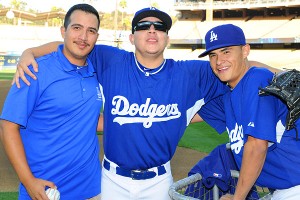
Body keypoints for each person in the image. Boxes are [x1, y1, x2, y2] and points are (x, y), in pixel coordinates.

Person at [13, 7, 279, 200]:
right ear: (131, 38)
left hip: (159, 183)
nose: (151, 30)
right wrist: (31, 52)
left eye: (159, 27)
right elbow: (73, 45)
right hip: (110, 181)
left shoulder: (192, 73)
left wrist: (279, 74)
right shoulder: (110, 60)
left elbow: (237, 66)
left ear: (166, 37)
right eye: (143, 26)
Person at [0, 4, 103, 200]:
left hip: (92, 189)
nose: (83, 37)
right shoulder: (34, 70)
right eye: (76, 28)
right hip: (45, 191)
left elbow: (86, 117)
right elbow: (7, 126)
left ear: (97, 36)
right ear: (63, 31)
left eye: (91, 31)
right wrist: (28, 181)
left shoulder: (95, 70)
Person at [197, 24, 300, 200]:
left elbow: (256, 145)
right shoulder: (228, 96)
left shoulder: (256, 79)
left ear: (245, 50)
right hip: (284, 191)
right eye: (213, 55)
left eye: (226, 51)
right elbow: (180, 115)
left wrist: (238, 198)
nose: (219, 61)